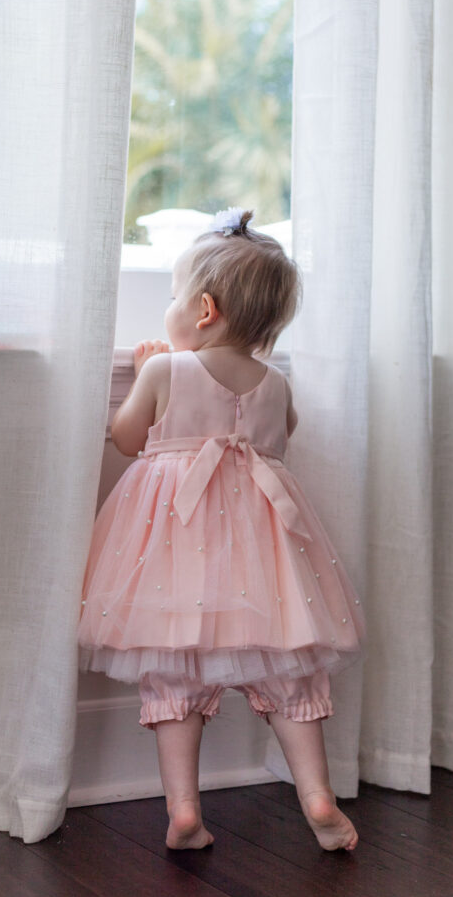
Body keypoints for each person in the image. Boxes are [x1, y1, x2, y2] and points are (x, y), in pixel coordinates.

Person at [78, 207, 366, 852]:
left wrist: (160, 367)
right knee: (289, 671)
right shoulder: (277, 383)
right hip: (265, 557)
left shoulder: (164, 369)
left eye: (175, 296)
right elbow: (279, 444)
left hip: (177, 554)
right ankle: (317, 796)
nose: (171, 307)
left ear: (203, 309)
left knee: (174, 675)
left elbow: (127, 440)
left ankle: (184, 812)